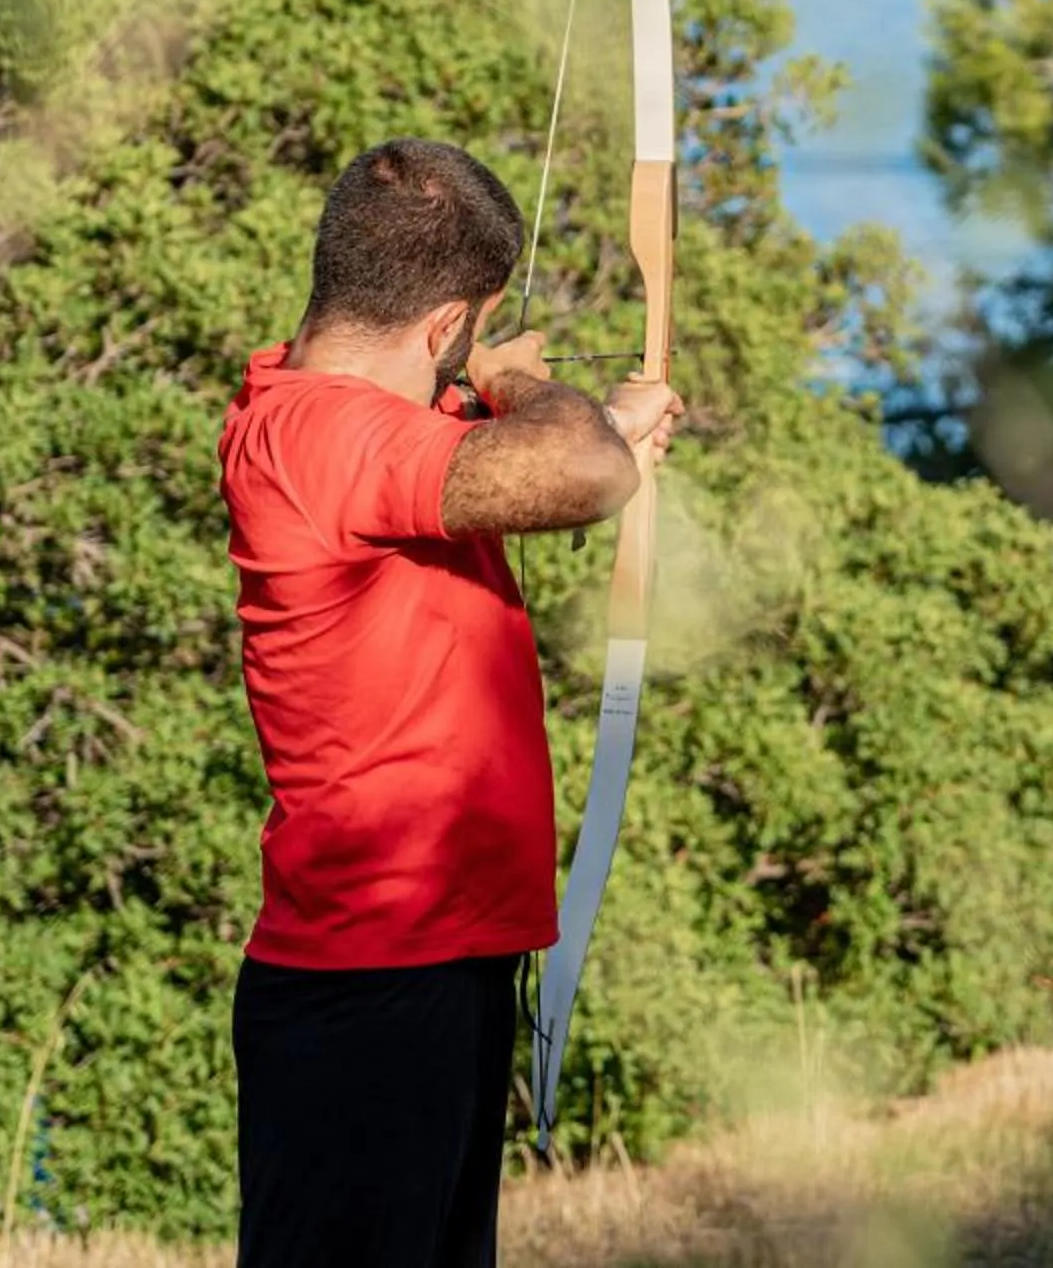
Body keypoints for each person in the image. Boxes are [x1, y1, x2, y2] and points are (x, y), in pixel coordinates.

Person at [216, 136, 682, 1268]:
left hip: (436, 965)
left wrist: (595, 427)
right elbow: (573, 472)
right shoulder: (318, 432)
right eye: (465, 333)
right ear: (441, 325)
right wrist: (526, 384)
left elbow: (540, 459)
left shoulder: (344, 424)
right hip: (369, 986)